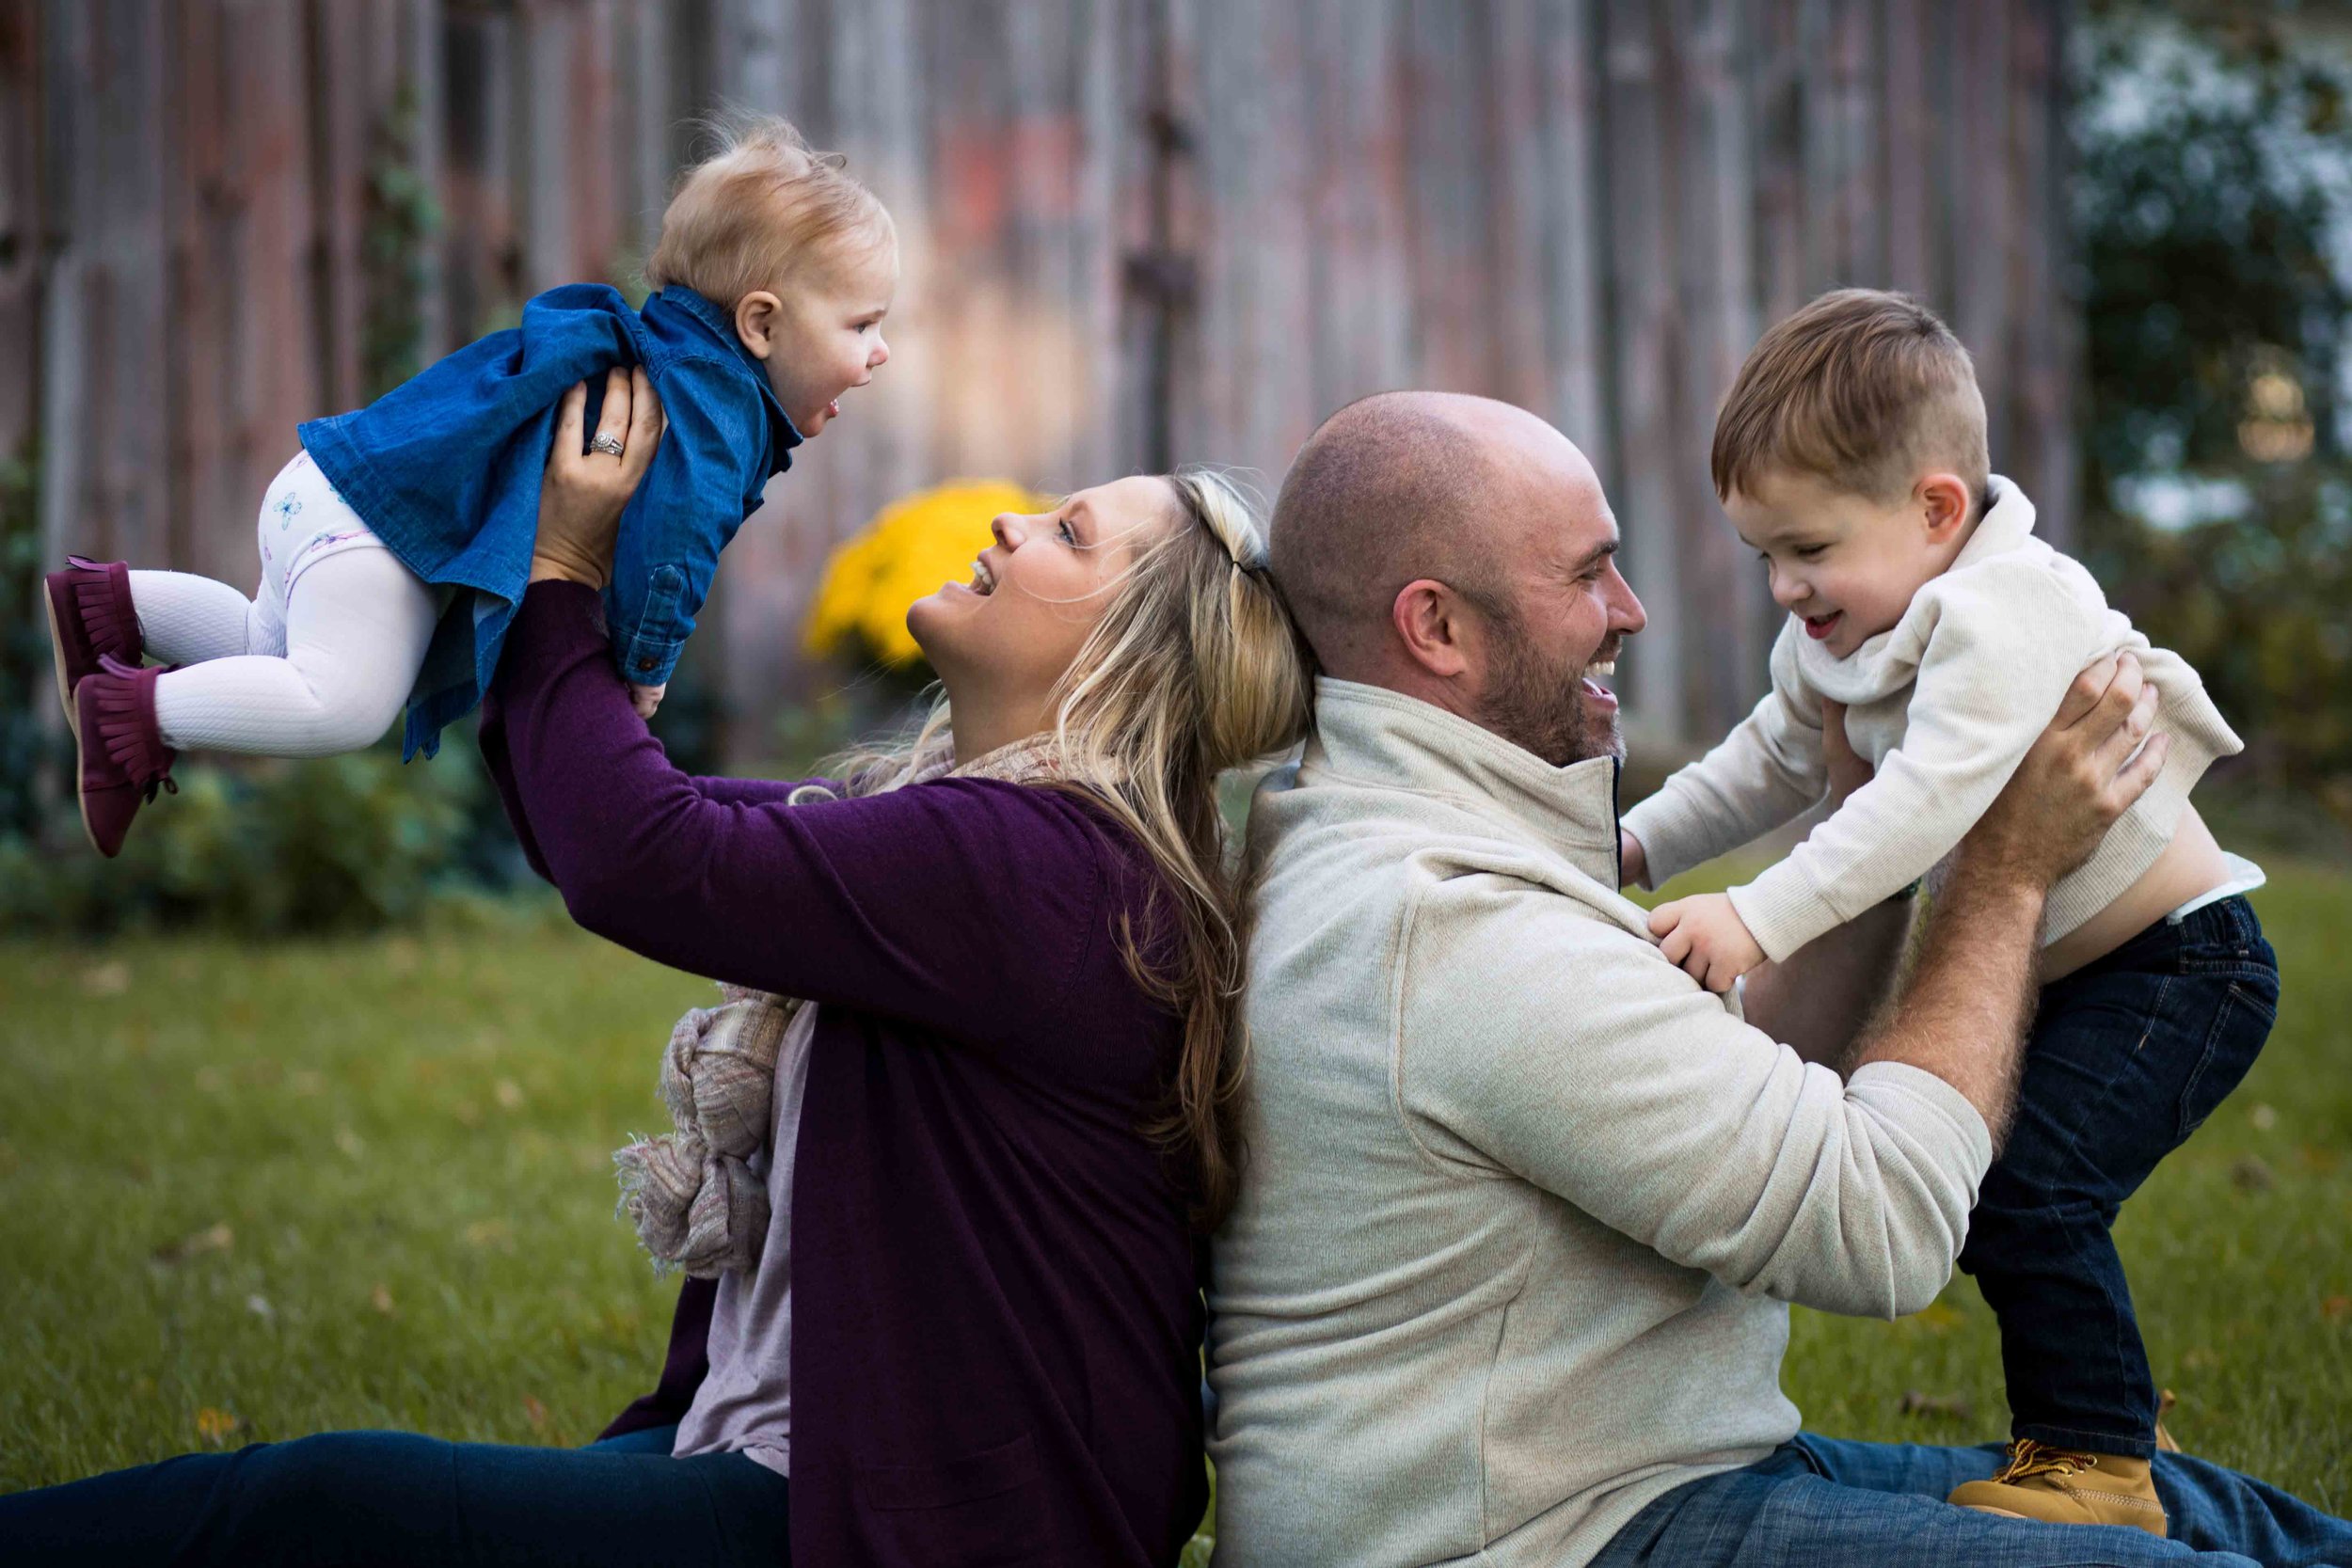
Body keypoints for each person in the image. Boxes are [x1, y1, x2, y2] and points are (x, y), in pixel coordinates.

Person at [0, 370, 1310, 1567]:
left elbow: (636, 852)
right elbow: (605, 819)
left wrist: (564, 565)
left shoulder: (1037, 864)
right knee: (364, 1516)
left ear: (1135, 658)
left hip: (919, 1527)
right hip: (838, 1465)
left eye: (1069, 535)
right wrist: (529, 601)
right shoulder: (995, 831)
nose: (1013, 527)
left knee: (324, 1512)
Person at [1204, 388, 2349, 1567]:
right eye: (1588, 573)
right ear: (1436, 628)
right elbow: (1884, 1224)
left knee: (2213, 1513)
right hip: (1538, 1536)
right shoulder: (1445, 922)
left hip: (1639, 1477)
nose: (1632, 610)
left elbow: (1746, 1084)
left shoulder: (1380, 838)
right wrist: (2002, 874)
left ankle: (2110, 1469)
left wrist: (1859, 816)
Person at [1621, 289, 2278, 1530]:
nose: (1781, 585)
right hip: (2084, 969)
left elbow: (1921, 804)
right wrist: (1637, 838)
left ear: (1934, 508)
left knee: (2030, 1185)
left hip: (2180, 965)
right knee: (1999, 1183)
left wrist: (1757, 917)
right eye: (1763, 553)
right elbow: (1766, 756)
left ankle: (2097, 1459)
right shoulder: (1852, 620)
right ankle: (2110, 1414)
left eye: (1807, 549)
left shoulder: (2007, 608)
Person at [44, 115, 894, 858]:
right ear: (760, 321)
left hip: (332, 490)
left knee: (270, 654)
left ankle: (105, 608)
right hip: (384, 534)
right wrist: (646, 666)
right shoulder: (709, 412)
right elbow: (672, 540)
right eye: (862, 325)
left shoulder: (647, 355)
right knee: (343, 705)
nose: (878, 352)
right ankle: (133, 717)